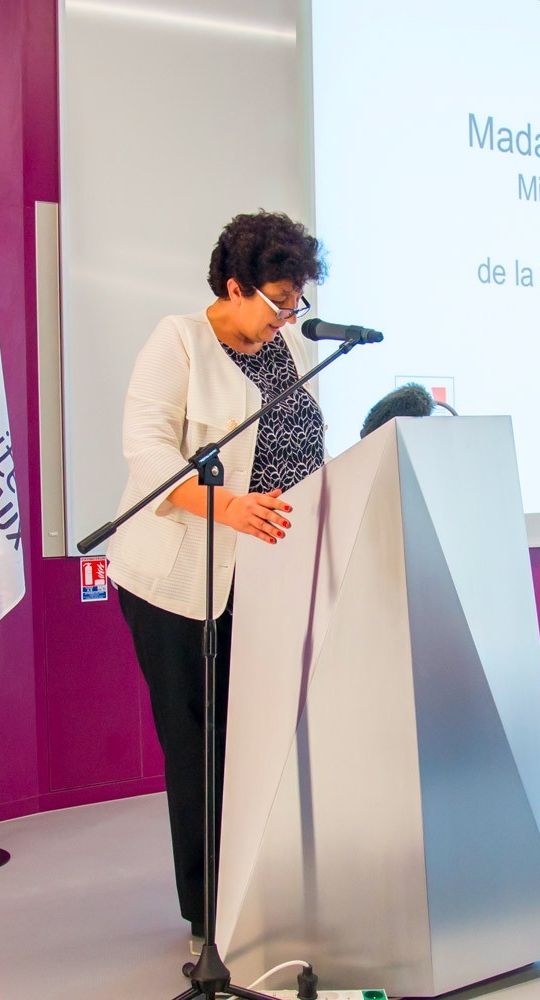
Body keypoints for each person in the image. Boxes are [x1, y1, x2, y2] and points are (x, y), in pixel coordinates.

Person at [105, 211, 326, 954]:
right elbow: (146, 453)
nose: (288, 317)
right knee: (201, 745)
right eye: (277, 302)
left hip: (268, 577)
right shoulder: (178, 342)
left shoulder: (286, 351)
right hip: (179, 581)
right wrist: (231, 507)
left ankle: (262, 886)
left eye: (297, 303)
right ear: (235, 286)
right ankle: (212, 913)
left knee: (259, 738)